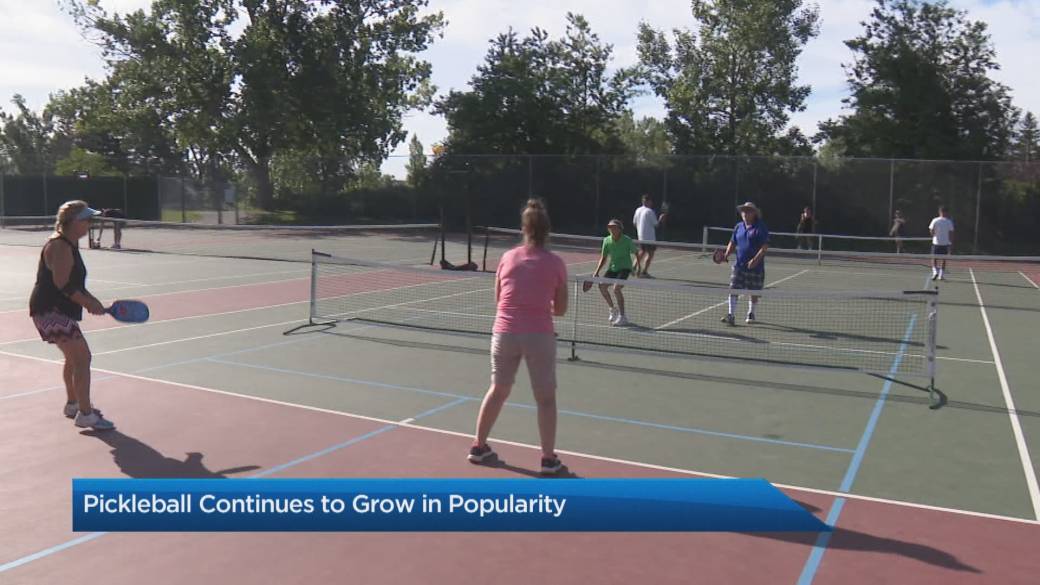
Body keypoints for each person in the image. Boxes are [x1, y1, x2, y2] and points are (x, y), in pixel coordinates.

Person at [469, 199, 569, 475]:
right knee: (545, 399)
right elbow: (560, 309)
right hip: (539, 334)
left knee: (498, 389)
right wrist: (540, 307)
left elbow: (499, 299)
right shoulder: (556, 263)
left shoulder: (507, 258)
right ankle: (548, 459)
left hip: (504, 332)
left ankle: (478, 446)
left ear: (523, 228)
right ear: (547, 230)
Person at [29, 200, 115, 431]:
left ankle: (73, 404)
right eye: (86, 219)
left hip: (54, 308)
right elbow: (63, 285)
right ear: (74, 222)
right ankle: (86, 414)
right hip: (51, 310)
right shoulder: (60, 246)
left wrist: (92, 301)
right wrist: (88, 302)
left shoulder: (70, 244)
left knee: (73, 358)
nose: (90, 223)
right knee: (82, 358)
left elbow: (74, 283)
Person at [720, 202, 770, 325]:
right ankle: (731, 315)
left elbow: (764, 247)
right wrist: (726, 254)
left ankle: (751, 312)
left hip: (756, 267)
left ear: (754, 213)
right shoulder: (738, 226)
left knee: (754, 293)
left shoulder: (760, 227)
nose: (745, 213)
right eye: (743, 210)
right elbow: (732, 242)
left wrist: (755, 260)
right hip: (739, 266)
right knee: (733, 289)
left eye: (748, 210)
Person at [592, 219, 638, 326]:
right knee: (602, 286)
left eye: (614, 227)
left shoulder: (627, 240)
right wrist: (597, 271)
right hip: (613, 268)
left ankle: (623, 317)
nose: (611, 229)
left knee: (616, 288)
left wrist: (637, 267)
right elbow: (603, 258)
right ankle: (613, 309)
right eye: (609, 227)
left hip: (625, 268)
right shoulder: (606, 240)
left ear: (620, 229)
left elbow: (636, 253)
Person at [633, 194, 667, 278]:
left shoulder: (638, 210)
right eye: (650, 201)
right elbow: (656, 225)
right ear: (649, 201)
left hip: (641, 236)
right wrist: (661, 219)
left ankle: (633, 268)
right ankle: (644, 272)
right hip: (650, 238)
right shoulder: (650, 211)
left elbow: (634, 223)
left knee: (642, 252)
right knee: (650, 254)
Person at [928, 206, 954, 281]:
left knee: (934, 258)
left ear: (940, 212)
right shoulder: (949, 221)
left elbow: (931, 230)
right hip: (945, 243)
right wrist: (951, 243)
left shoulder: (935, 220)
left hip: (936, 243)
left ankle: (935, 272)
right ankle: (940, 275)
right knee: (943, 259)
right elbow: (951, 233)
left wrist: (934, 236)